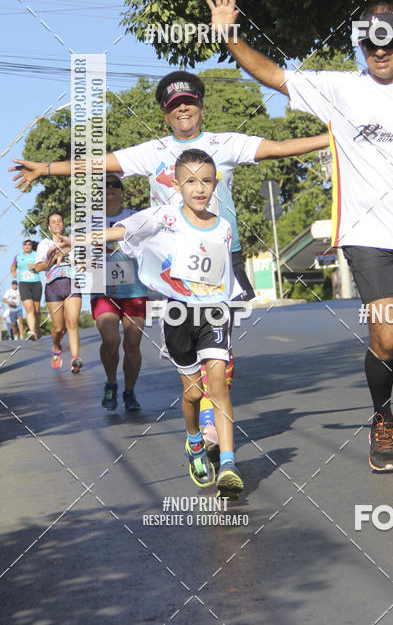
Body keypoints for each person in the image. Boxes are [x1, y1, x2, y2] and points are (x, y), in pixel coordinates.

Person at [205, 0, 393, 473]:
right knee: (388, 335)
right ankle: (381, 420)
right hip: (366, 235)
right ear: (361, 45)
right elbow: (274, 75)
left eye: (387, 43)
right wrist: (230, 37)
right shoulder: (340, 89)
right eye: (370, 44)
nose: (379, 52)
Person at [11, 71, 328, 450]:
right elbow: (97, 163)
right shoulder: (153, 151)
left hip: (222, 257)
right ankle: (199, 413)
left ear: (201, 106)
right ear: (165, 113)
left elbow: (279, 147)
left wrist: (333, 138)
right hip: (173, 265)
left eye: (189, 102)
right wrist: (45, 168)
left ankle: (210, 415)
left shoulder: (224, 143)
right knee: (190, 347)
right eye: (175, 105)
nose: (183, 110)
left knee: (220, 346)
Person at [57, 149, 243, 499]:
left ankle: (230, 465)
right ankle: (193, 440)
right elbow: (121, 230)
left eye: (206, 181)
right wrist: (75, 240)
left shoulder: (223, 227)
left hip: (214, 312)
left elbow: (222, 276)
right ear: (176, 185)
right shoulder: (164, 216)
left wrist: (229, 307)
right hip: (178, 314)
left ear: (215, 185)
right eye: (191, 181)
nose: (199, 188)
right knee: (193, 393)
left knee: (217, 384)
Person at [91, 174, 147, 412]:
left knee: (132, 344)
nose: (110, 188)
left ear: (122, 191)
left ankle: (129, 392)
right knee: (111, 340)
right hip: (103, 290)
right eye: (105, 185)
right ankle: (111, 383)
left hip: (134, 288)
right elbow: (79, 254)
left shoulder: (135, 217)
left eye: (115, 185)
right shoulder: (90, 221)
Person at [35, 213, 83, 372]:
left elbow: (83, 262)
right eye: (53, 222)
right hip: (53, 287)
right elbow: (38, 267)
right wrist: (51, 258)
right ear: (48, 227)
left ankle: (75, 359)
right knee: (57, 327)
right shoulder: (45, 244)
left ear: (63, 224)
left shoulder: (72, 241)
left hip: (72, 284)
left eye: (59, 221)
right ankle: (56, 347)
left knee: (72, 323)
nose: (57, 224)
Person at [11, 239, 42, 339]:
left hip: (36, 283)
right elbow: (13, 267)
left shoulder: (36, 255)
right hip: (24, 284)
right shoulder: (18, 256)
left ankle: (37, 327)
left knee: (37, 310)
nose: (27, 246)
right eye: (25, 244)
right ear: (22, 246)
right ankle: (32, 331)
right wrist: (13, 272)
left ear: (31, 246)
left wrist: (36, 266)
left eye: (29, 244)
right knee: (29, 308)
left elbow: (43, 265)